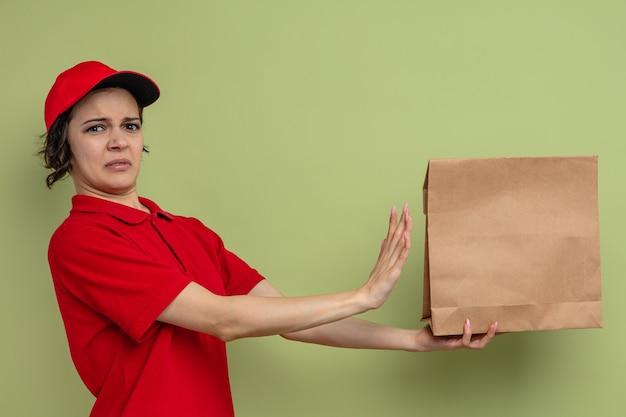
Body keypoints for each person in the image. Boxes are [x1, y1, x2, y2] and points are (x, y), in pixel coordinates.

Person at [40, 61, 497, 417]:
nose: (118, 141)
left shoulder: (189, 232)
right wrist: (363, 296)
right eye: (96, 127)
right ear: (66, 145)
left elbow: (291, 319)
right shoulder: (82, 240)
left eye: (130, 125)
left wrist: (413, 342)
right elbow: (222, 319)